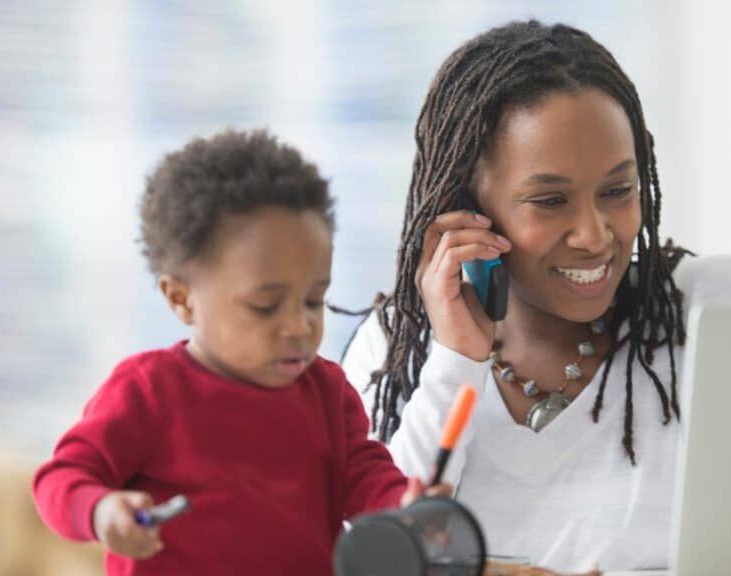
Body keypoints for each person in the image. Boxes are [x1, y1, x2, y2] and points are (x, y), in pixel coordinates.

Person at [342, 21, 731, 572]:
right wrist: (455, 361)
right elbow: (381, 558)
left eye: (618, 191)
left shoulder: (727, 308)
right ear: (467, 207)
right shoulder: (395, 350)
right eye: (549, 200)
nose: (594, 236)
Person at [33, 129, 444, 575]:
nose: (300, 325)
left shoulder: (325, 390)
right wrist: (100, 510)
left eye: (313, 300)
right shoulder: (149, 390)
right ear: (181, 298)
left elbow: (363, 476)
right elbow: (60, 479)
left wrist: (403, 504)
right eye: (265, 306)